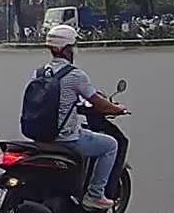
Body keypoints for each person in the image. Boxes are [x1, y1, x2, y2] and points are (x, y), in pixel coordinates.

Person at [36, 24, 127, 210]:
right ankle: (95, 195)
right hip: (66, 139)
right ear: (67, 49)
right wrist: (117, 109)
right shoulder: (75, 75)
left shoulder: (39, 73)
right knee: (111, 145)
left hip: (41, 137)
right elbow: (97, 102)